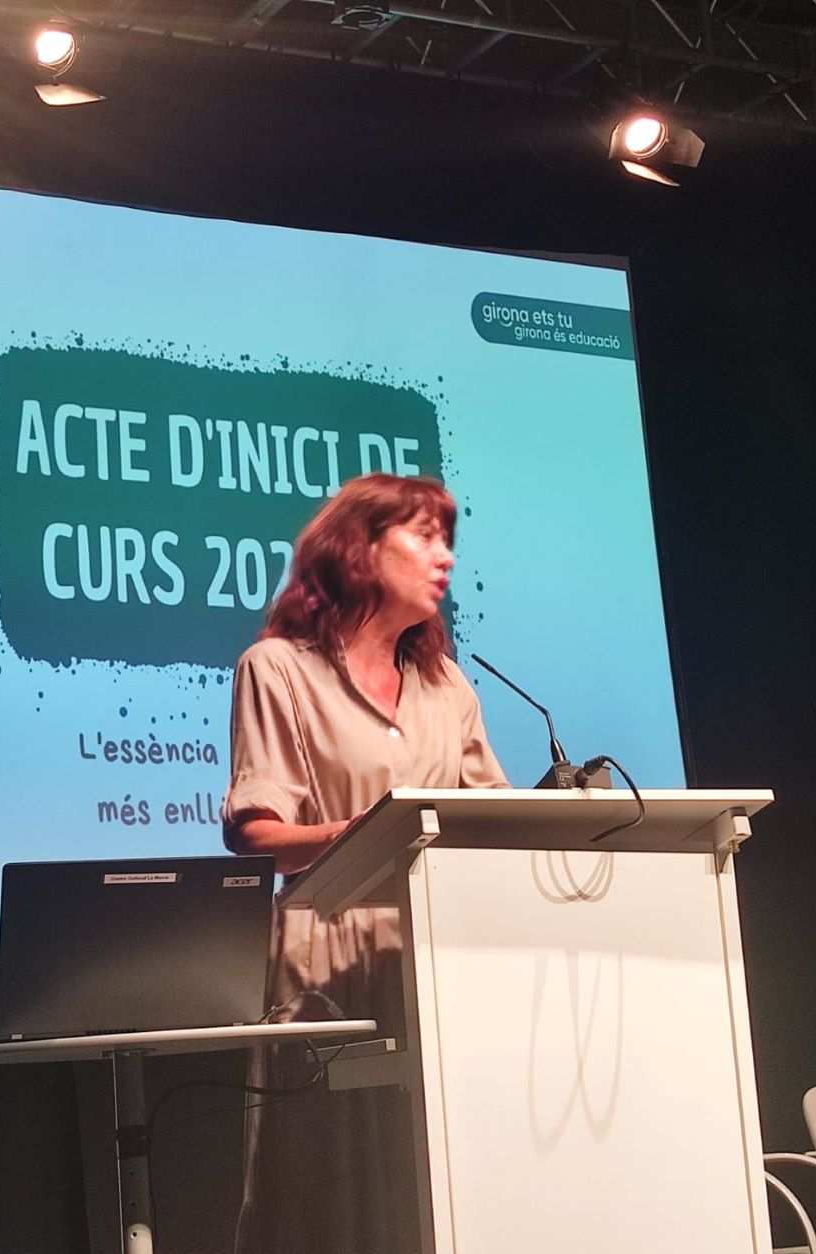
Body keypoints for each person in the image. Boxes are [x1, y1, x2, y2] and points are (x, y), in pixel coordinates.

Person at [222, 472, 508, 1254]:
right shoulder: (278, 668)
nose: (445, 557)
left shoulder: (445, 684)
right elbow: (255, 833)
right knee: (318, 1187)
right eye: (424, 535)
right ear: (359, 549)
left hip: (431, 958)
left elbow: (494, 819)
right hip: (325, 960)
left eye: (447, 539)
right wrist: (366, 834)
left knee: (434, 1188)